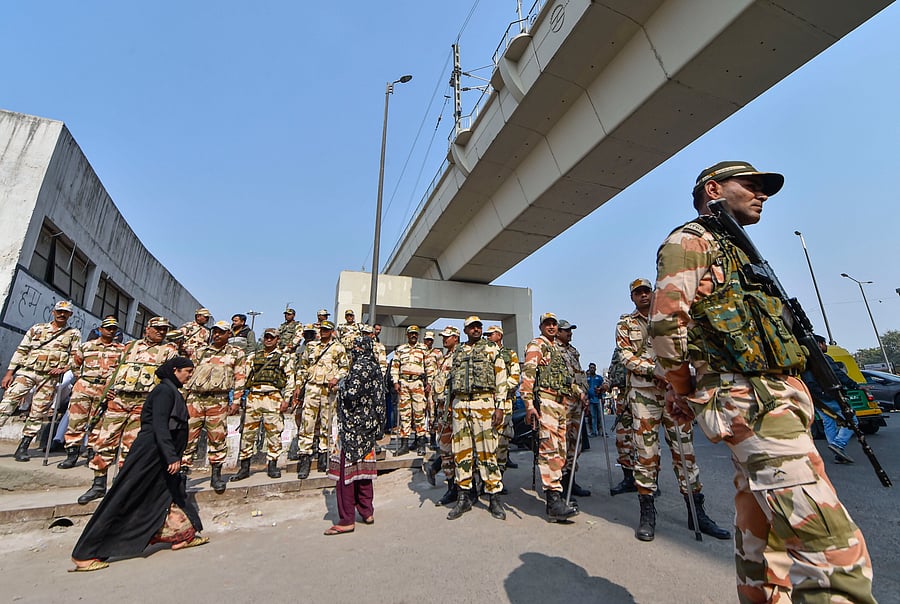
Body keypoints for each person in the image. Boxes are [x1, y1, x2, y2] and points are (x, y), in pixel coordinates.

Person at [650, 160, 874, 602]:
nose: (762, 194)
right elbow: (664, 324)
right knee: (830, 548)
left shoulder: (739, 252)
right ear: (714, 189)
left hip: (768, 397)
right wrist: (683, 388)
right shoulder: (691, 241)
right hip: (752, 403)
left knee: (764, 537)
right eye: (750, 185)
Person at [70, 357, 207, 572]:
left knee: (165, 495)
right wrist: (171, 456)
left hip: (159, 454)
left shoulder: (171, 390)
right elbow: (160, 426)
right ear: (175, 370)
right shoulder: (164, 391)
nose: (190, 375)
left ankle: (182, 535)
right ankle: (85, 553)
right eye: (187, 371)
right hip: (151, 453)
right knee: (125, 496)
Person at [617, 278, 729, 542]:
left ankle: (696, 512)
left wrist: (680, 375)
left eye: (647, 291)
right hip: (644, 394)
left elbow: (687, 349)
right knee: (646, 454)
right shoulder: (626, 324)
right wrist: (652, 370)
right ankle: (647, 513)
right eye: (638, 293)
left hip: (676, 393)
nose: (644, 296)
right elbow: (625, 356)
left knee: (685, 451)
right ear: (633, 298)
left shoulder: (672, 319)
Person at [78, 316, 178, 504]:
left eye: (164, 329)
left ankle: (121, 486)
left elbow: (169, 380)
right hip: (118, 401)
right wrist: (107, 391)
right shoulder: (130, 347)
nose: (161, 332)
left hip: (143, 405)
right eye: (157, 328)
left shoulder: (169, 351)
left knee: (131, 448)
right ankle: (98, 485)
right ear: (147, 328)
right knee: (104, 443)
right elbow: (114, 371)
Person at [1, 300, 82, 460]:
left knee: (38, 412)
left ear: (70, 315)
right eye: (59, 311)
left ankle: (23, 447)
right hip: (27, 372)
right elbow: (22, 350)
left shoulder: (73, 334)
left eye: (65, 312)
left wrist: (63, 369)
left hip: (49, 378)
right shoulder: (37, 328)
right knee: (7, 404)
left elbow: (76, 358)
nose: (61, 314)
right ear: (53, 312)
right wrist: (9, 373)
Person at [445, 316, 508, 521]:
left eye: (478, 326)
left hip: (483, 404)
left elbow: (501, 379)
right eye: (472, 327)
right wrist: (448, 405)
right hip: (461, 404)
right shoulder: (459, 351)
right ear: (465, 331)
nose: (476, 330)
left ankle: (494, 497)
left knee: (487, 451)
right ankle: (463, 496)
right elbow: (450, 380)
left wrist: (499, 407)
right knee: (461, 452)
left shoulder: (491, 349)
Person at [520, 313, 579, 523]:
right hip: (545, 402)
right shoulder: (537, 345)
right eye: (548, 324)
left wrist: (580, 393)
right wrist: (528, 404)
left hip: (560, 403)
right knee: (549, 449)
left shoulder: (556, 350)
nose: (552, 327)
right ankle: (553, 501)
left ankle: (557, 497)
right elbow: (528, 373)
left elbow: (564, 379)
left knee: (560, 449)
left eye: (554, 324)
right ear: (541, 326)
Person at [324, 336, 386, 535]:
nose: (355, 350)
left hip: (353, 428)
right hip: (369, 426)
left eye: (357, 347)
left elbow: (352, 393)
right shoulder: (376, 367)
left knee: (346, 475)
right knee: (363, 471)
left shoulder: (360, 367)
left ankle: (346, 519)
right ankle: (367, 511)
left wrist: (338, 386)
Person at [182, 320, 247, 491]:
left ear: (229, 334)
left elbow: (240, 378)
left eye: (221, 332)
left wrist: (236, 401)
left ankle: (216, 476)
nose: (217, 334)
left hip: (218, 401)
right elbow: (188, 375)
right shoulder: (200, 352)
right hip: (195, 399)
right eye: (215, 331)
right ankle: (181, 474)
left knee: (217, 438)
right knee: (187, 437)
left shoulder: (236, 353)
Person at [58, 316, 125, 469]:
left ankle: (91, 453)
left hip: (104, 390)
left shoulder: (121, 350)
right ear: (100, 330)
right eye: (108, 328)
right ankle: (71, 454)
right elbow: (75, 365)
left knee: (98, 423)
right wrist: (80, 379)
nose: (111, 331)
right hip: (84, 387)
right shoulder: (86, 346)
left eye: (114, 328)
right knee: (76, 421)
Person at [230, 328, 294, 481]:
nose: (268, 340)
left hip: (273, 397)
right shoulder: (253, 356)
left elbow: (290, 378)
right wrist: (237, 400)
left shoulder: (284, 357)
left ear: (277, 339)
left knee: (273, 433)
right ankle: (244, 467)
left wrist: (286, 399)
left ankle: (272, 465)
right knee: (247, 434)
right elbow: (243, 377)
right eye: (266, 337)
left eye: (272, 337)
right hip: (254, 397)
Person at [294, 320, 348, 479]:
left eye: (326, 329)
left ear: (331, 331)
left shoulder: (338, 348)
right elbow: (302, 367)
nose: (323, 332)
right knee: (307, 423)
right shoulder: (311, 346)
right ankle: (305, 458)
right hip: (312, 387)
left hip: (328, 389)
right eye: (322, 329)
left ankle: (324, 456)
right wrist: (298, 386)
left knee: (326, 423)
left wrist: (336, 378)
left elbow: (345, 367)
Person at [802, 335, 860, 464]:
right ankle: (838, 445)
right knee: (852, 420)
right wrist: (855, 385)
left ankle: (838, 454)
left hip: (816, 398)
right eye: (824, 343)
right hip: (829, 395)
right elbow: (838, 375)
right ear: (819, 344)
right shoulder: (823, 359)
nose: (826, 346)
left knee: (828, 422)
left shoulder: (805, 360)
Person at [555, 320, 592, 498]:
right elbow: (563, 378)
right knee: (562, 443)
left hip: (578, 401)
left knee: (575, 444)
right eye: (566, 331)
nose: (569, 333)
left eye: (570, 330)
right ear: (557, 332)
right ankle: (559, 484)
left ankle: (571, 480)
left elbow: (580, 375)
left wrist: (585, 393)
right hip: (564, 402)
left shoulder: (572, 350)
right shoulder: (553, 350)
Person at [426, 326, 460, 505]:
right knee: (445, 450)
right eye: (443, 337)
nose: (444, 339)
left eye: (447, 337)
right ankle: (451, 487)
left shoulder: (460, 357)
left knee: (460, 451)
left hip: (454, 410)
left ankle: (464, 488)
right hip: (442, 412)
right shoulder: (444, 357)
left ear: (456, 337)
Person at [390, 326, 433, 456]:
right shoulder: (401, 349)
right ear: (407, 335)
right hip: (403, 383)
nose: (413, 335)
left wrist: (429, 382)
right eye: (411, 333)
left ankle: (420, 443)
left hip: (417, 383)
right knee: (404, 414)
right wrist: (395, 381)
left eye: (415, 333)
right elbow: (395, 366)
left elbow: (429, 366)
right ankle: (404, 444)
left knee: (419, 413)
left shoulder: (423, 349)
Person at [485, 325, 520, 474]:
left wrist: (501, 389)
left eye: (490, 334)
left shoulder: (510, 354)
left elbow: (515, 377)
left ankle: (499, 476)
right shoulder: (484, 353)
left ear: (499, 336)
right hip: (487, 402)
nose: (487, 337)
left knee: (502, 441)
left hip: (505, 402)